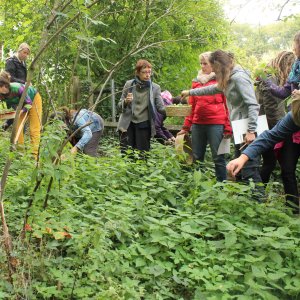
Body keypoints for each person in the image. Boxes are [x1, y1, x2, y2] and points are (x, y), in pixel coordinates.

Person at [181, 50, 262, 194]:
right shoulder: (228, 78)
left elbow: (253, 105)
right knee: (240, 166)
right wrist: (190, 92)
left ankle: (259, 203)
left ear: (220, 65)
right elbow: (212, 89)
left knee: (249, 168)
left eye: (215, 68)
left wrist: (251, 131)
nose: (214, 72)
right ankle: (246, 202)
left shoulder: (239, 78)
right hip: (240, 126)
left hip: (248, 129)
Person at [227, 93, 300, 213]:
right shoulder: (294, 115)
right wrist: (243, 157)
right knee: (287, 169)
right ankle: (294, 209)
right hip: (294, 138)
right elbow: (270, 136)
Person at [177, 52, 232, 182]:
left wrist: (228, 127)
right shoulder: (196, 82)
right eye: (201, 63)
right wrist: (186, 126)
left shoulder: (220, 80)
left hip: (216, 123)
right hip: (198, 124)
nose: (202, 66)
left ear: (213, 65)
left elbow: (228, 105)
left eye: (205, 63)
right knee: (196, 156)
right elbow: (192, 105)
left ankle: (222, 185)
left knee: (218, 157)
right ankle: (197, 184)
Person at [261, 32, 300, 208]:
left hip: (291, 122)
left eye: (295, 44)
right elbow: (283, 93)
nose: (294, 48)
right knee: (286, 168)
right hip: (293, 123)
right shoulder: (294, 71)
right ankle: (293, 206)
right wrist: (269, 85)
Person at [255, 51, 295, 183]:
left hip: (266, 122)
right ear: (286, 63)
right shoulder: (269, 77)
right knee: (269, 162)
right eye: (290, 65)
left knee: (270, 162)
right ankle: (258, 194)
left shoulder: (270, 76)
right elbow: (271, 106)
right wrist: (280, 129)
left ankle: (258, 193)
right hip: (266, 124)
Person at [117, 59, 166, 155]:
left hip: (144, 124)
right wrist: (126, 101)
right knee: (126, 154)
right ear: (137, 73)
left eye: (149, 72)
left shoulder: (155, 88)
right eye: (144, 72)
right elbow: (119, 107)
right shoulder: (129, 85)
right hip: (128, 124)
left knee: (142, 154)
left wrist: (173, 110)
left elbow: (160, 108)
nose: (147, 75)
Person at [0, 71, 42, 159]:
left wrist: (21, 111)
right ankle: (20, 154)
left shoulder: (17, 87)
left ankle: (34, 156)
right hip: (21, 107)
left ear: (5, 85)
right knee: (17, 128)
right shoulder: (1, 95)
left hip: (33, 99)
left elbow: (28, 102)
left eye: (1, 86)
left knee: (34, 129)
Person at [3, 42, 30, 131]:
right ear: (19, 51)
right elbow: (9, 78)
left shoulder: (23, 63)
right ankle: (19, 137)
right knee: (20, 114)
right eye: (24, 52)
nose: (26, 55)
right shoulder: (11, 61)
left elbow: (22, 77)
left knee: (18, 113)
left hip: (21, 91)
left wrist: (26, 83)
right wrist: (24, 83)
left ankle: (4, 127)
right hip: (12, 92)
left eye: (27, 53)